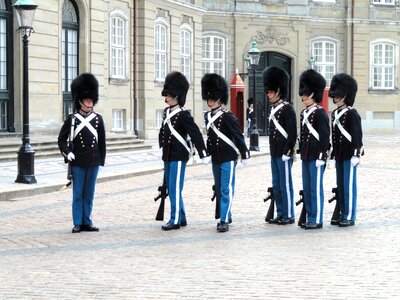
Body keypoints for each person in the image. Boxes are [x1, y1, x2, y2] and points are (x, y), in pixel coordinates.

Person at [159, 71, 210, 231]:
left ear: (176, 95)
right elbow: (163, 132)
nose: (166, 96)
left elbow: (195, 133)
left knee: (174, 188)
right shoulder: (166, 112)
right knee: (172, 187)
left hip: (178, 156)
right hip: (167, 155)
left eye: (168, 94)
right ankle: (181, 217)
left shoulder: (183, 115)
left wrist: (203, 153)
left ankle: (174, 219)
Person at [58, 73, 106, 233]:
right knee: (78, 193)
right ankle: (78, 221)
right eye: (87, 100)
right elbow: (61, 139)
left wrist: (101, 160)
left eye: (91, 100)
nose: (90, 102)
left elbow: (102, 142)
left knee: (89, 193)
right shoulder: (72, 119)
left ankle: (87, 220)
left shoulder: (98, 119)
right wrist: (67, 153)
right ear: (80, 100)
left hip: (93, 161)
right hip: (78, 162)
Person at [202, 73, 250, 232]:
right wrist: (207, 153)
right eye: (207, 98)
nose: (209, 101)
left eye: (211, 98)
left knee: (225, 189)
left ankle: (223, 220)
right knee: (219, 187)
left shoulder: (227, 117)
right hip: (216, 157)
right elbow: (210, 138)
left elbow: (238, 136)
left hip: (228, 157)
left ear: (219, 99)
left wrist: (245, 153)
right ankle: (227, 213)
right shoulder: (207, 116)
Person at [263, 66, 297, 225]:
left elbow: (292, 133)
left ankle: (289, 214)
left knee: (285, 184)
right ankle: (281, 212)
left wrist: (288, 151)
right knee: (276, 185)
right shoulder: (273, 109)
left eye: (270, 92)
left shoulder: (287, 108)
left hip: (283, 153)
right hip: (274, 152)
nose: (268, 95)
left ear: (278, 91)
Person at [329, 73, 363, 227]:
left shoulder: (352, 113)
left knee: (349, 186)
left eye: (338, 94)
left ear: (345, 95)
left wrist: (357, 153)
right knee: (341, 185)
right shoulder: (335, 114)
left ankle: (349, 215)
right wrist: (333, 154)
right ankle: (342, 212)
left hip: (350, 155)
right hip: (340, 155)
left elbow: (357, 135)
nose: (334, 97)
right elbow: (334, 136)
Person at [298, 69, 330, 230]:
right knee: (308, 187)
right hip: (306, 155)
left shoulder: (320, 114)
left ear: (312, 94)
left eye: (305, 93)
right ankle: (310, 215)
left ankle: (316, 218)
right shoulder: (304, 113)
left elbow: (325, 138)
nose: (302, 96)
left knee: (316, 188)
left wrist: (322, 156)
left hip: (316, 157)